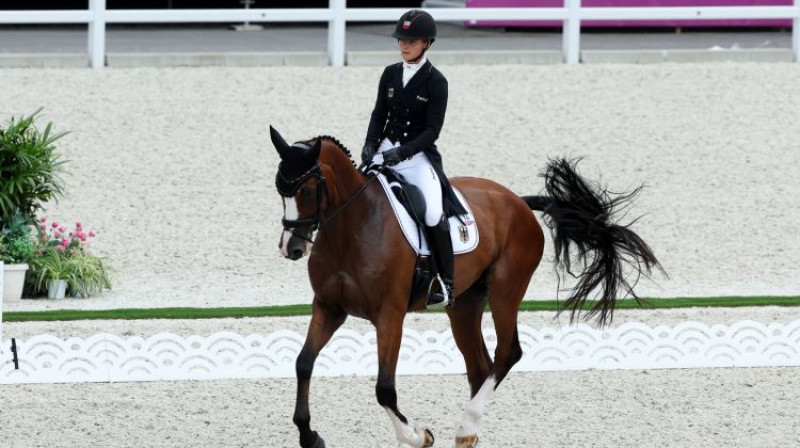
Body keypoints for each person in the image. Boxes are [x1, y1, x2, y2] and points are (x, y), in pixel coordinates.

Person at [361, 9, 467, 308]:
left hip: (417, 157)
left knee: (433, 213)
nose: (404, 45)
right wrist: (370, 144)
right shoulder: (390, 73)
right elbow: (379, 113)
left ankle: (445, 283)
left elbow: (432, 131)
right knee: (354, 194)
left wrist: (402, 152)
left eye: (411, 40)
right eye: (401, 40)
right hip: (384, 150)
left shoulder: (437, 81)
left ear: (426, 43)